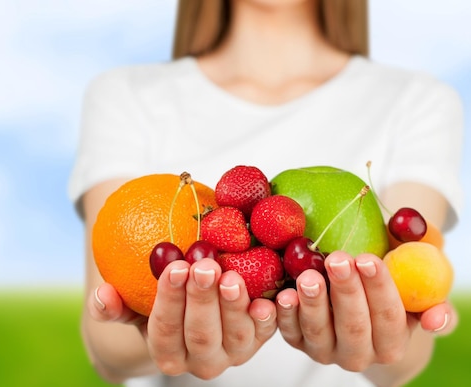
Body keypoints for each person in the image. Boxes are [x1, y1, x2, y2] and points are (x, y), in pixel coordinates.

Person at [68, 0, 464, 386]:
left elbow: (408, 343)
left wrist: (385, 345)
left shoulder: (420, 101)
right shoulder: (123, 95)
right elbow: (107, 342)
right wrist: (163, 337)